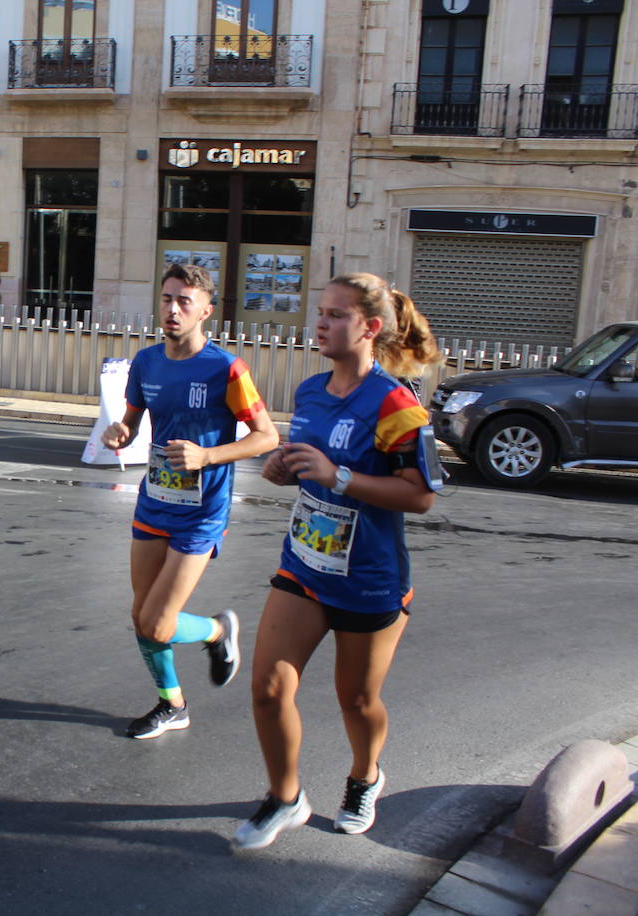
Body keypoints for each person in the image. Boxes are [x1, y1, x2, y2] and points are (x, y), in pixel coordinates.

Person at [233, 272, 441, 851]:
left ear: (370, 328)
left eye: (335, 315)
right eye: (319, 312)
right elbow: (308, 463)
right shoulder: (310, 391)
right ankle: (285, 797)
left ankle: (365, 776)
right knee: (269, 689)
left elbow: (420, 496)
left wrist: (339, 477)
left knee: (357, 700)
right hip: (304, 564)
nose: (319, 323)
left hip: (370, 580)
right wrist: (284, 467)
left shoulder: (396, 402)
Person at [100, 263, 279, 739]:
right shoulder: (147, 363)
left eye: (184, 300)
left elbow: (266, 437)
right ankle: (172, 703)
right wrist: (121, 432)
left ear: (206, 309)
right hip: (155, 501)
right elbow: (133, 421)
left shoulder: (226, 369)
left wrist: (209, 455)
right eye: (166, 299)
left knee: (158, 624)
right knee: (141, 616)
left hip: (201, 511)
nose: (173, 309)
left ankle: (218, 631)